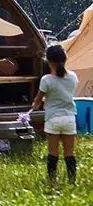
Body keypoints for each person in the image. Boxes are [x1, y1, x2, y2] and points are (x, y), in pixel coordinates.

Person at [28, 44, 79, 184]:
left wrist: (34, 106)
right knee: (69, 153)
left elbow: (38, 101)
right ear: (65, 59)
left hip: (53, 119)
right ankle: (72, 181)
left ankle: (52, 180)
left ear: (48, 61)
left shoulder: (46, 79)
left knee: (53, 152)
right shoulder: (73, 77)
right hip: (69, 118)